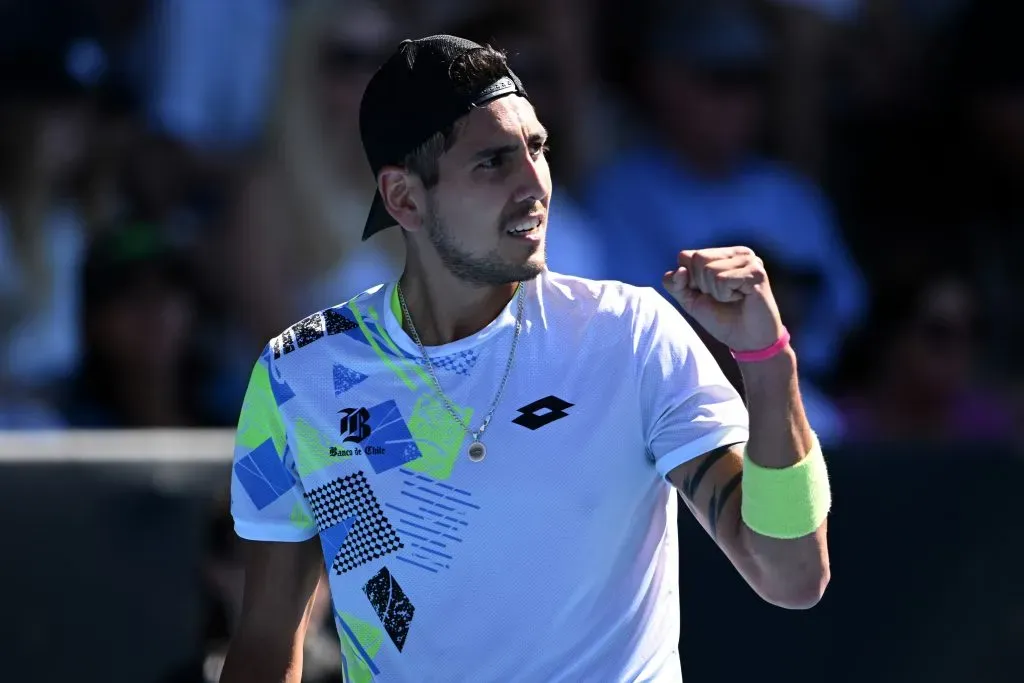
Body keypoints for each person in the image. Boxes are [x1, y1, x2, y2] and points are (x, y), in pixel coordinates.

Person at [223, 36, 830, 683]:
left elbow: (791, 573)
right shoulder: (297, 374)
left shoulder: (633, 333)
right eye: (493, 162)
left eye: (537, 149)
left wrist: (766, 361)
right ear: (404, 199)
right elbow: (264, 640)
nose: (535, 184)